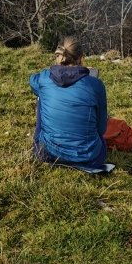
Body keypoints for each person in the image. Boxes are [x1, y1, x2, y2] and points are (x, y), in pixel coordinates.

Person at [29, 37, 109, 171]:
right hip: (89, 159)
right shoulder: (96, 85)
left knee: (42, 95)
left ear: (60, 57)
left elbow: (32, 79)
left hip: (46, 154)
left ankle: (43, 144)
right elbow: (101, 129)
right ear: (81, 59)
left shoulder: (44, 78)